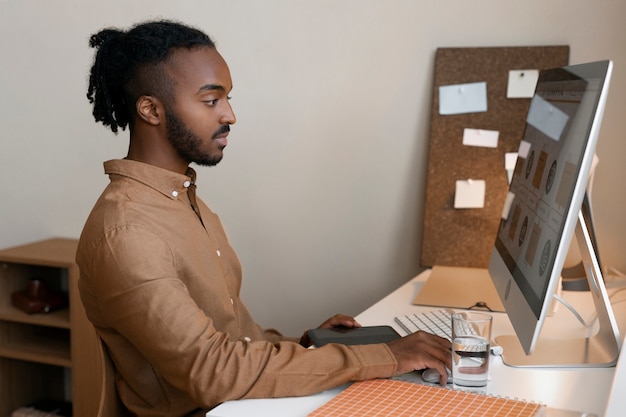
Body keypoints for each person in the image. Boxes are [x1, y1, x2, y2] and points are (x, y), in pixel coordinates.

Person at [77, 19, 452, 417]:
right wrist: (383, 357)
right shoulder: (127, 232)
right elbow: (213, 371)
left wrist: (304, 344)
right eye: (211, 100)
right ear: (151, 109)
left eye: (227, 98)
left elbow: (231, 339)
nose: (230, 115)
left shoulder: (182, 199)